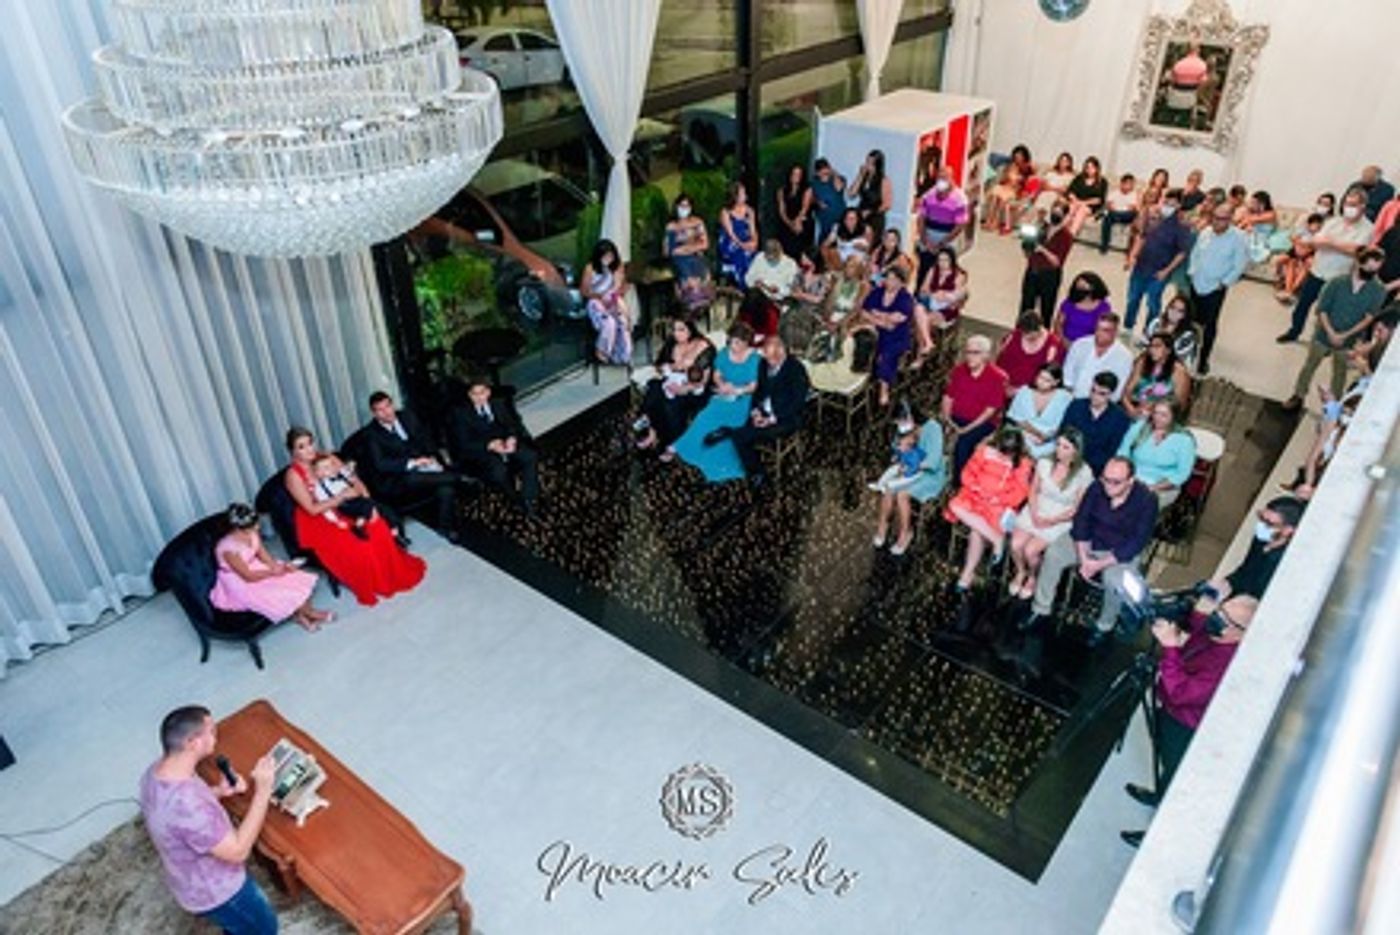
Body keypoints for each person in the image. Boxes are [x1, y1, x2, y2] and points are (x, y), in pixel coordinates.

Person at [1119, 595, 1260, 846]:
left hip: (1186, 725)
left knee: (1177, 775)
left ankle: (1159, 835)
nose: (1217, 618)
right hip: (1169, 713)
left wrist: (1170, 648)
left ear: (1242, 632)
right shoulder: (1215, 635)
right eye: (1221, 610)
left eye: (1226, 619)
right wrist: (1201, 606)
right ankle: (1159, 795)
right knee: (1165, 762)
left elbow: (1181, 693)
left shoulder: (1226, 666)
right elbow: (1197, 633)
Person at [140, 706, 279, 934]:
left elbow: (179, 816)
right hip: (220, 892)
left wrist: (218, 792)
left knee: (238, 928)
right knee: (264, 928)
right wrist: (263, 790)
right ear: (192, 742)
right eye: (211, 731)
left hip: (186, 880)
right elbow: (238, 851)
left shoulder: (156, 773)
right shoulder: (188, 806)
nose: (216, 736)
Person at [285, 425, 426, 606]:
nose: (309, 449)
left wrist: (368, 504)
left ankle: (389, 571)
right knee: (358, 547)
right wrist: (341, 497)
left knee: (378, 528)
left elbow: (354, 480)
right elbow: (312, 509)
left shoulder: (328, 458)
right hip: (320, 517)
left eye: (310, 443)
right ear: (293, 452)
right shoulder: (293, 475)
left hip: (349, 505)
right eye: (301, 447)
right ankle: (374, 581)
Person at [1023, 456, 1159, 643]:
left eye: (1116, 482)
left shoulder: (1147, 500)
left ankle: (1105, 624)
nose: (1109, 486)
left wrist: (1099, 564)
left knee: (1115, 580)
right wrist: (1084, 557)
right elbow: (1081, 522)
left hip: (1118, 551)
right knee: (1054, 554)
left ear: (1130, 481)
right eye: (1106, 479)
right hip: (1090, 540)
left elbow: (1137, 542)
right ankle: (1041, 608)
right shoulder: (1096, 487)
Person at [1283, 248, 1387, 409]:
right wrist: (1331, 332)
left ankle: (1334, 404)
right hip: (1323, 334)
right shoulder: (1336, 283)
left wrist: (1345, 335)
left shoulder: (1378, 290)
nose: (1371, 273)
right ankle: (1298, 395)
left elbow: (1369, 317)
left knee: (1340, 373)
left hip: (1349, 340)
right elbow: (1322, 309)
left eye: (1375, 270)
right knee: (1310, 365)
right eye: (1368, 268)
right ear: (1358, 263)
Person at [362, 391, 469, 539]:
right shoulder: (371, 434)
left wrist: (432, 457)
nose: (386, 412)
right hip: (397, 478)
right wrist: (412, 463)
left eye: (388, 406)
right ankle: (459, 477)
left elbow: (425, 439)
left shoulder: (407, 417)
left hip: (423, 469)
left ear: (392, 405)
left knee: (446, 489)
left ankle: (445, 528)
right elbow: (381, 464)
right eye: (380, 410)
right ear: (374, 414)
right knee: (412, 477)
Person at [944, 426, 1033, 601]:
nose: (1004, 456)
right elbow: (967, 473)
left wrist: (999, 499)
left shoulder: (1024, 463)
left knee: (977, 531)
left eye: (1008, 454)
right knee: (954, 505)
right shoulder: (984, 451)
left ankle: (967, 573)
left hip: (997, 505)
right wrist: (975, 487)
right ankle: (996, 539)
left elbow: (1021, 492)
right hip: (975, 496)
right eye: (1002, 452)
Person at [210, 503, 330, 632]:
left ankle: (302, 615)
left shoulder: (252, 533)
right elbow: (248, 576)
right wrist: (272, 572)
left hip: (254, 566)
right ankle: (311, 613)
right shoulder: (229, 549)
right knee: (280, 591)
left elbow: (263, 554)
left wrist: (277, 567)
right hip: (240, 579)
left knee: (293, 578)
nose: (257, 527)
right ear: (237, 529)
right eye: (252, 526)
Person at [1278, 188, 1374, 344]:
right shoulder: (1333, 222)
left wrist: (1331, 243)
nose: (1348, 207)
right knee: (1303, 304)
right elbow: (1316, 241)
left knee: (1327, 312)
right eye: (1346, 203)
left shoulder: (1368, 228)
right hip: (1318, 271)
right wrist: (1340, 245)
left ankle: (1320, 340)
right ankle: (1294, 332)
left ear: (1362, 206)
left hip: (1339, 277)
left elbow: (1356, 250)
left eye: (1353, 204)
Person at [1008, 428, 1093, 602]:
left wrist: (1051, 521)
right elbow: (1033, 491)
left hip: (1060, 517)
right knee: (1016, 545)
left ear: (1076, 451)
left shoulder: (1084, 473)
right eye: (1058, 445)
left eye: (1065, 447)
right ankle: (1020, 571)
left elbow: (1076, 508)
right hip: (1037, 507)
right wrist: (1034, 513)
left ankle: (1033, 577)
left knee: (1030, 550)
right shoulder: (1044, 462)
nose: (1059, 450)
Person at [668, 322, 760, 481]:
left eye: (738, 343)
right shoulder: (724, 353)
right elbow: (717, 375)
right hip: (723, 395)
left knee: (731, 425)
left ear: (747, 343)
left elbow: (754, 386)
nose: (733, 346)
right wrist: (722, 385)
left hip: (743, 400)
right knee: (705, 416)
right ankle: (685, 445)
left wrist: (737, 390)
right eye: (731, 341)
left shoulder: (755, 359)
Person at [716, 335, 810, 485]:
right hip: (764, 409)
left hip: (786, 417)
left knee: (742, 436)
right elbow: (759, 392)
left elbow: (797, 403)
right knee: (734, 414)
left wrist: (771, 418)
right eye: (768, 355)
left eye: (775, 356)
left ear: (783, 351)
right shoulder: (763, 364)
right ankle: (731, 432)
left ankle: (757, 472)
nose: (771, 360)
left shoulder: (796, 370)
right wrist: (755, 411)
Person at [446, 377, 541, 514]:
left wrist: (511, 438)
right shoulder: (461, 413)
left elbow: (514, 424)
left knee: (530, 456)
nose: (479, 397)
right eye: (475, 394)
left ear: (488, 392)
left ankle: (528, 497)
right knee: (499, 472)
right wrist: (489, 445)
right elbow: (463, 443)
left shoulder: (499, 403)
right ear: (469, 395)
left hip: (504, 441)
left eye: (482, 393)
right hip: (483, 449)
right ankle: (514, 498)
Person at [872, 406, 947, 556]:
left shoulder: (934, 429)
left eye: (900, 421)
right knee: (888, 487)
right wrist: (901, 455)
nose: (899, 425)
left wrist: (912, 466)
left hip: (929, 475)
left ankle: (906, 533)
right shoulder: (906, 429)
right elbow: (897, 448)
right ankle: (882, 526)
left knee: (902, 494)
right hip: (910, 469)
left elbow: (933, 462)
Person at [1186, 204, 1250, 374]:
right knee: (1191, 320)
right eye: (1214, 217)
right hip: (1196, 283)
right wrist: (1192, 272)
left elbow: (1239, 265)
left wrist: (1224, 283)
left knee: (1209, 325)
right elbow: (1195, 253)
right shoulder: (1206, 232)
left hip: (1215, 288)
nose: (1216, 222)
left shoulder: (1239, 238)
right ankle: (1188, 352)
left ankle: (1203, 360)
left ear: (1230, 219)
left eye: (1221, 219)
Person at [636, 318, 714, 450]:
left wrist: (685, 388)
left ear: (690, 330)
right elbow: (659, 364)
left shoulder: (703, 347)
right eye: (674, 330)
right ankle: (651, 430)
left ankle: (671, 441)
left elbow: (704, 380)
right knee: (654, 387)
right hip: (672, 380)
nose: (676, 333)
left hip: (694, 387)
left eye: (681, 329)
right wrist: (668, 367)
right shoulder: (672, 343)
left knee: (671, 402)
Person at [1206, 496, 1304, 601]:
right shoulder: (1261, 539)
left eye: (1269, 523)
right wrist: (1227, 583)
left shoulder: (1284, 560)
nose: (1262, 526)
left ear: (1289, 530)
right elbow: (1245, 569)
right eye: (1261, 518)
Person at [1124, 187, 1194, 334]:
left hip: (1159, 272)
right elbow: (1141, 236)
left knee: (1153, 304)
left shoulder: (1181, 226)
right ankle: (1128, 327)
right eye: (1166, 202)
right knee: (1133, 299)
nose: (1167, 206)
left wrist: (1166, 271)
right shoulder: (1153, 218)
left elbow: (1182, 253)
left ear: (1179, 205)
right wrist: (1132, 257)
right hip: (1141, 267)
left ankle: (1149, 332)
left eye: (1172, 204)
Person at [942, 334, 1009, 480]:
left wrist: (966, 429)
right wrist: (947, 419)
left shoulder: (998, 377)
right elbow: (948, 397)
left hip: (982, 422)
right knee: (934, 431)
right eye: (967, 352)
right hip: (955, 418)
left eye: (975, 353)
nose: (969, 357)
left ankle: (960, 482)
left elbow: (990, 411)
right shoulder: (959, 370)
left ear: (986, 355)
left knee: (964, 444)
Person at [1117, 400, 1196, 507]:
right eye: (1155, 413)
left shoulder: (1184, 440)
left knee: (1139, 506)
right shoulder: (1140, 427)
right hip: (1131, 479)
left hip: (1162, 487)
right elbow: (1123, 452)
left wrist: (1153, 488)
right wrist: (1127, 477)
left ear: (1174, 417)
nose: (1157, 418)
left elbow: (1182, 474)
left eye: (1163, 415)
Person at [862, 263, 916, 407]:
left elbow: (898, 318)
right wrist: (882, 321)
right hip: (877, 329)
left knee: (887, 354)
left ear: (901, 282)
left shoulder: (905, 298)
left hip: (897, 336)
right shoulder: (878, 292)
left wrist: (877, 314)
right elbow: (864, 311)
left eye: (893, 279)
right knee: (860, 340)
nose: (889, 282)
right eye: (887, 278)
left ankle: (884, 388)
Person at [1061, 371, 1132, 476]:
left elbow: (1111, 450)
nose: (1095, 396)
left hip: (1096, 469)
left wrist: (1087, 467)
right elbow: (1064, 433)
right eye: (1093, 390)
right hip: (1068, 460)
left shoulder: (1120, 418)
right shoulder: (1076, 405)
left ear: (1111, 394)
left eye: (1102, 393)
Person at [1020, 198, 1076, 327]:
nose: (1055, 215)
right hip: (1033, 271)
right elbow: (1028, 253)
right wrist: (1028, 245)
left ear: (1064, 215)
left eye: (1058, 213)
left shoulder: (1066, 236)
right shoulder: (1042, 228)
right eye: (1054, 211)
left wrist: (1043, 250)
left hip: (1049, 275)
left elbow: (1057, 262)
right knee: (1026, 306)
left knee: (1046, 309)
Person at [913, 245, 969, 363]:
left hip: (947, 308)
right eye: (939, 260)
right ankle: (928, 343)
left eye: (945, 260)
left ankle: (920, 356)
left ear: (952, 260)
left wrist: (946, 297)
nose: (942, 263)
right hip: (930, 303)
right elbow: (922, 290)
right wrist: (934, 294)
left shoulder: (959, 275)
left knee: (923, 321)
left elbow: (958, 299)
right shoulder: (933, 270)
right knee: (918, 310)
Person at [914, 165, 970, 282]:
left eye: (945, 177)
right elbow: (921, 217)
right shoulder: (929, 195)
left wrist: (944, 242)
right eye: (939, 177)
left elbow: (960, 225)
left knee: (944, 271)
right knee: (924, 269)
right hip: (929, 235)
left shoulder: (960, 198)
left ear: (951, 178)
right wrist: (925, 239)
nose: (941, 181)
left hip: (948, 236)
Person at [1006, 362, 1071, 459]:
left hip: (1051, 440)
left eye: (1047, 380)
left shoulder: (1065, 397)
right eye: (1040, 377)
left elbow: (1064, 424)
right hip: (1024, 434)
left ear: (1056, 382)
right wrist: (1037, 434)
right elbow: (1015, 418)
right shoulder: (1024, 391)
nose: (1041, 382)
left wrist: (1047, 438)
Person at [582, 238, 632, 365]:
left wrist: (618, 288)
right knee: (609, 323)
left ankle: (622, 354)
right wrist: (599, 296)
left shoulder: (617, 266)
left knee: (622, 321)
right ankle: (602, 352)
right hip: (595, 300)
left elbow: (622, 288)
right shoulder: (590, 268)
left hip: (613, 298)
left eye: (611, 256)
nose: (609, 259)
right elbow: (584, 291)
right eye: (605, 256)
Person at [1063, 312, 1134, 401]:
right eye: (1098, 328)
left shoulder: (1124, 356)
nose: (1099, 333)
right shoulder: (1080, 344)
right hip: (1072, 397)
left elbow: (1119, 389)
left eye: (1105, 330)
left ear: (1115, 332)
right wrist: (1069, 395)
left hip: (1102, 403)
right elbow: (1067, 374)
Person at [996, 311, 1065, 397]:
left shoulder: (1053, 346)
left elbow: (1048, 379)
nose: (1025, 336)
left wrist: (1019, 391)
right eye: (1023, 333)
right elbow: (1000, 362)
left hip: (1031, 394)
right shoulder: (1013, 336)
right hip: (1004, 387)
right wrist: (1003, 384)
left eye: (1029, 335)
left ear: (1039, 329)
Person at [1122, 334, 1192, 419]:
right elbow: (1126, 393)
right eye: (1151, 346)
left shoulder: (1179, 371)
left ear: (1168, 350)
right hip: (1136, 409)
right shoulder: (1142, 362)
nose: (1152, 350)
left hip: (1161, 416)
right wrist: (1131, 410)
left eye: (1157, 346)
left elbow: (1180, 403)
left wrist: (1154, 411)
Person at [664, 193, 713, 311]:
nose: (684, 209)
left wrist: (687, 249)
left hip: (696, 256)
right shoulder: (671, 226)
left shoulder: (697, 222)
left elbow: (705, 244)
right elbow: (668, 250)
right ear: (676, 207)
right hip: (679, 259)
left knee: (702, 272)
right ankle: (689, 302)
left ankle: (702, 302)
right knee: (686, 275)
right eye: (681, 206)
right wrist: (683, 250)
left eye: (687, 206)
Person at [1273, 212, 1324, 304]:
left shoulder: (1320, 236)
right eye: (1314, 225)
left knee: (1305, 266)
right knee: (1290, 262)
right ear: (1309, 224)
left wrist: (1305, 248)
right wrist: (1299, 244)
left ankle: (1290, 291)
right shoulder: (1303, 231)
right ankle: (1287, 290)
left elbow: (1314, 248)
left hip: (1307, 254)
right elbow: (1292, 238)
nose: (1316, 228)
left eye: (1318, 226)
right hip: (1295, 251)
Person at [717, 181, 759, 287]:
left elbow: (753, 230)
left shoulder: (749, 211)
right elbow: (731, 234)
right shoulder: (725, 212)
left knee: (757, 257)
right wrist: (742, 245)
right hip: (732, 243)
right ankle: (743, 285)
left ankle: (755, 285)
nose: (745, 195)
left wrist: (755, 242)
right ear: (735, 196)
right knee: (742, 256)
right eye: (742, 193)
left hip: (746, 241)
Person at [1052, 271, 1112, 344]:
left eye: (1084, 288)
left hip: (1090, 344)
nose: (1081, 292)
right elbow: (1058, 325)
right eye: (1079, 288)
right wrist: (1064, 341)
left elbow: (1105, 329)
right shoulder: (1069, 303)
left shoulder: (1103, 306)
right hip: (1066, 342)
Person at [1147, 292, 1201, 372]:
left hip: (1176, 369)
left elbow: (1177, 358)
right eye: (1172, 307)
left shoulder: (1188, 336)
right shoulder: (1155, 323)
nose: (1174, 312)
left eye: (1180, 311)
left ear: (1185, 315)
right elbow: (1145, 344)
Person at [848, 149, 893, 236]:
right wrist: (860, 175)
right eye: (867, 161)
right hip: (861, 215)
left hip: (875, 217)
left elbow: (887, 204)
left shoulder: (884, 180)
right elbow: (851, 194)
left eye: (871, 163)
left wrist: (870, 212)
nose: (867, 165)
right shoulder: (864, 177)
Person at [775, 163, 813, 260]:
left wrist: (797, 222)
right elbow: (782, 211)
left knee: (800, 231)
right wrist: (790, 223)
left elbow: (805, 208)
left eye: (799, 174)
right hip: (787, 221)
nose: (796, 177)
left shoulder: (807, 190)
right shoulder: (781, 191)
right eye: (794, 174)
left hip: (801, 219)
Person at [809, 157, 848, 246]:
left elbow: (839, 188)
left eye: (826, 169)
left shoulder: (838, 179)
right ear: (817, 173)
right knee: (823, 244)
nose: (824, 173)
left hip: (840, 219)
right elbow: (810, 198)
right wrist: (818, 202)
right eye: (821, 171)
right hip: (824, 220)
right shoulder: (814, 183)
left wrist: (834, 173)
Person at [1065, 156, 1107, 233]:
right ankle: (1061, 233)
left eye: (1092, 167)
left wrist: (1082, 203)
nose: (1089, 170)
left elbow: (1099, 200)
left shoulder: (1102, 182)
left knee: (1081, 211)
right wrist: (1075, 200)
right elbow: (1070, 191)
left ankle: (1071, 234)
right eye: (1087, 167)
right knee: (1071, 208)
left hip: (1089, 206)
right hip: (1075, 202)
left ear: (1097, 169)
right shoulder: (1079, 178)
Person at [822, 207, 872, 271]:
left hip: (857, 259)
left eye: (852, 219)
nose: (849, 221)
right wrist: (827, 261)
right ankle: (834, 270)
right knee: (832, 251)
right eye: (847, 218)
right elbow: (825, 245)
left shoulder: (866, 229)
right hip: (841, 257)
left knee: (854, 260)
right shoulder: (838, 227)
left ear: (858, 219)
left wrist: (861, 247)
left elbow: (868, 249)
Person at [1100, 173, 1140, 254]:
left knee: (1132, 214)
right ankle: (1104, 245)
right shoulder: (1114, 193)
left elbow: (1133, 208)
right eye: (1127, 184)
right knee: (1106, 219)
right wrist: (1114, 209)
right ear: (1122, 184)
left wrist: (1119, 210)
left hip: (1126, 216)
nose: (1129, 186)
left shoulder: (1134, 194)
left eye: (1131, 184)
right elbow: (1109, 205)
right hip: (1114, 214)